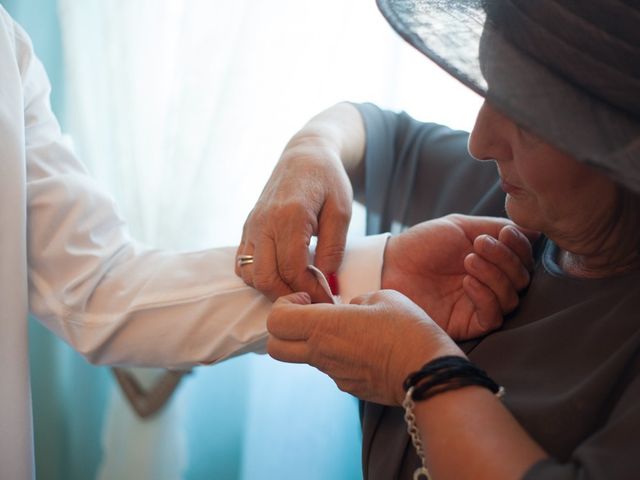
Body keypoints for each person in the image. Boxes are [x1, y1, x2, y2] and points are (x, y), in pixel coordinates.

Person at [0, 4, 538, 478]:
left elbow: (95, 289)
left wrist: (371, 272)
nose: (481, 142)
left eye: (525, 105)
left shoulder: (9, 51)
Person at [239, 0, 640, 478]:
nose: (480, 142)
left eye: (525, 118)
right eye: (489, 89)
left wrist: (423, 372)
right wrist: (310, 151)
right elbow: (379, 131)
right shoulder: (507, 196)